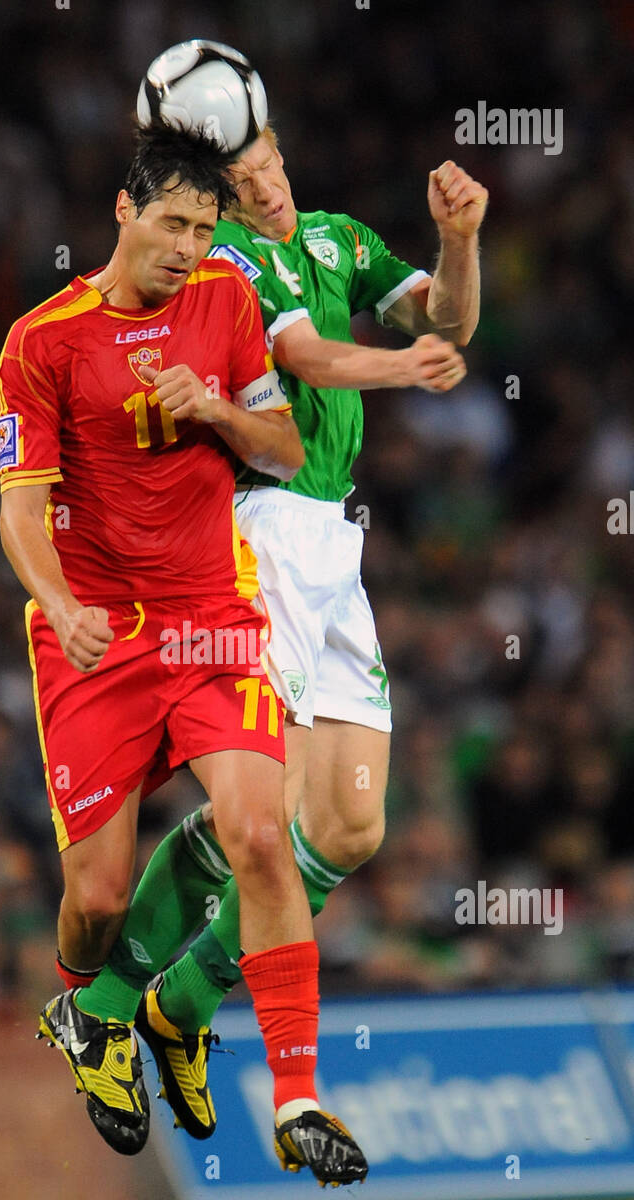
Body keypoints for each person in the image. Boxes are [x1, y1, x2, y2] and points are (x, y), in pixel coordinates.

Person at [79, 121, 487, 1144]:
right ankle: (107, 1006)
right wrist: (406, 371)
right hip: (257, 534)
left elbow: (448, 314)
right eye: (243, 178)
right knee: (259, 808)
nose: (265, 188)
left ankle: (184, 1002)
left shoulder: (342, 240)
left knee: (350, 825)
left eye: (272, 166)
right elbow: (303, 354)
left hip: (334, 543)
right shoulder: (231, 258)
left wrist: (462, 240)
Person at [0, 121, 368, 1187]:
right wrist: (59, 603)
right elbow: (21, 508)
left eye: (205, 229)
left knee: (261, 828)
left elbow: (287, 448)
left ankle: (297, 1094)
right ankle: (85, 1009)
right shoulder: (41, 342)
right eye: (170, 223)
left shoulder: (226, 303)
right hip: (97, 637)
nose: (187, 248)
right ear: (123, 210)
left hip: (214, 617)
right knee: (100, 900)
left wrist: (216, 410)